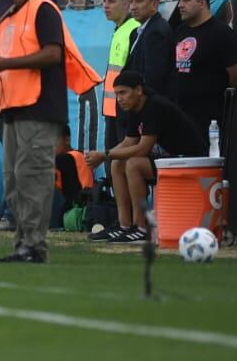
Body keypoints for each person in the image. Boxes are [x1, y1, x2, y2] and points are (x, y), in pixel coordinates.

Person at [0, 0, 100, 263]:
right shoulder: (2, 19)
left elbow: (53, 53)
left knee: (32, 177)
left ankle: (34, 247)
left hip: (39, 107)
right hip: (11, 108)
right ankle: (23, 244)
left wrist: (2, 65)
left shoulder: (42, 9)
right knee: (12, 180)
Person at [86, 70, 208, 241]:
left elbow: (142, 149)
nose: (119, 98)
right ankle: (124, 225)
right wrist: (106, 156)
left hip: (189, 160)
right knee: (117, 164)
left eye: (123, 92)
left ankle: (141, 227)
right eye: (117, 94)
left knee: (133, 164)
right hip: (169, 160)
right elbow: (129, 142)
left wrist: (104, 154)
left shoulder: (154, 106)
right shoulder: (135, 108)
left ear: (138, 90)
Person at [172, 0, 237, 144]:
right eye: (179, 1)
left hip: (210, 117)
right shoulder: (180, 31)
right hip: (181, 113)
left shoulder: (221, 32)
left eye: (186, 0)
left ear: (202, 3)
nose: (180, 5)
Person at [99, 0, 139, 166]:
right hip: (113, 109)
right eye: (104, 1)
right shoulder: (120, 30)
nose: (105, 6)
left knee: (121, 164)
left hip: (124, 110)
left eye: (111, 1)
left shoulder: (133, 29)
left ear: (125, 4)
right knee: (113, 165)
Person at [53, 125, 93, 228]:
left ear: (67, 140)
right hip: (82, 208)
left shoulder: (66, 158)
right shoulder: (78, 155)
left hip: (76, 210)